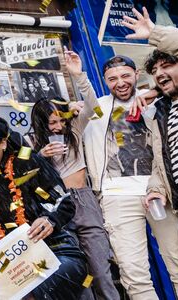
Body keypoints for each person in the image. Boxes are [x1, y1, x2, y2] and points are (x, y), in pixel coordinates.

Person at [81, 50, 178, 297]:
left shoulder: (159, 103)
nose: (120, 82)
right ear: (105, 82)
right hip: (116, 197)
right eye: (112, 79)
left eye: (125, 75)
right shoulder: (98, 109)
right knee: (134, 274)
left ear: (137, 75)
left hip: (159, 191)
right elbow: (85, 106)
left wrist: (152, 91)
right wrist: (78, 76)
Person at [0, 118, 87, 299]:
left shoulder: (27, 162)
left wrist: (49, 219)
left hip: (55, 250)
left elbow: (64, 202)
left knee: (34, 289)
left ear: (3, 142)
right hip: (12, 264)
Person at [26, 51, 119, 299]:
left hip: (84, 200)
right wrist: (39, 156)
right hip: (56, 206)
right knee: (77, 276)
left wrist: (79, 76)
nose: (57, 127)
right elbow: (22, 178)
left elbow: (93, 107)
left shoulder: (75, 129)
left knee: (100, 270)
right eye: (51, 123)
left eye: (60, 120)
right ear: (41, 124)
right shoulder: (30, 143)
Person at [124, 7, 178, 283]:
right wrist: (155, 189)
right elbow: (161, 160)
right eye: (155, 71)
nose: (159, 73)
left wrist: (154, 34)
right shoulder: (159, 114)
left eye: (167, 66)